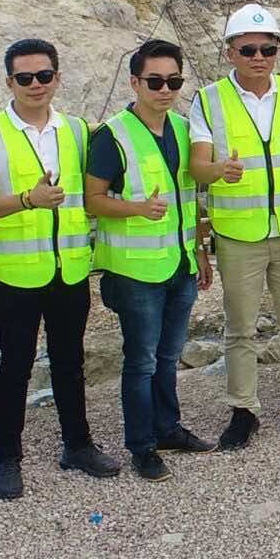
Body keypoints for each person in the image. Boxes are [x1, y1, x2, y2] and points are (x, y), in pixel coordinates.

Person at [0, 38, 119, 501]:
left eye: (44, 76)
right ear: (9, 81)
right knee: (15, 365)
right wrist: (28, 199)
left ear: (58, 77)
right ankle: (7, 456)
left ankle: (78, 444)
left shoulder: (77, 131)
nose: (36, 85)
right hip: (15, 274)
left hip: (69, 269)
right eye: (25, 78)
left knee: (71, 362)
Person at [191, 3, 280, 446]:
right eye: (248, 48)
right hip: (239, 233)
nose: (258, 57)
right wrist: (220, 172)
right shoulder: (208, 99)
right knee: (241, 328)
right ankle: (243, 410)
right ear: (230, 51)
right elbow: (197, 167)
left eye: (267, 49)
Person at [83, 39, 213, 483]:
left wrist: (198, 250)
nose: (165, 89)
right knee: (140, 361)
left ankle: (167, 427)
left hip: (179, 265)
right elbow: (92, 200)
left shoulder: (183, 129)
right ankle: (141, 445)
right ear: (135, 82)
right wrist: (136, 209)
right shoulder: (113, 136)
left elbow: (188, 197)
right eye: (155, 81)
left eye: (173, 81)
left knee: (169, 354)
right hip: (135, 272)